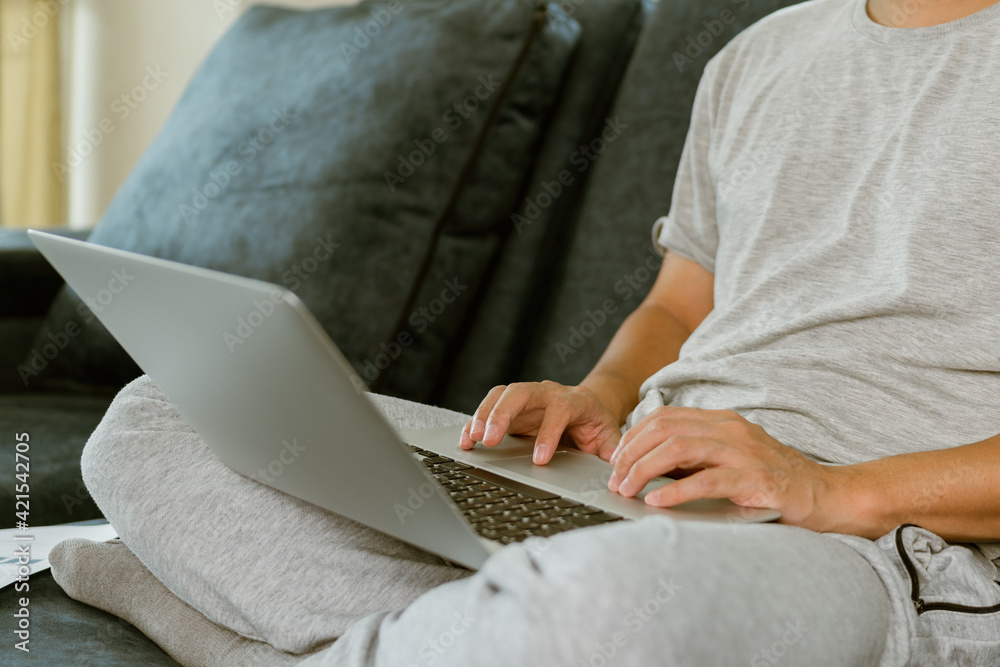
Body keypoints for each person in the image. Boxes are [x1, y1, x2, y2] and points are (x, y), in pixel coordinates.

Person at [52, 0, 1000, 665]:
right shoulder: (755, 57)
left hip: (871, 539)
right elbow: (679, 306)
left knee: (598, 606)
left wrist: (827, 488)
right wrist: (597, 397)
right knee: (160, 417)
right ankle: (484, 624)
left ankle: (232, 628)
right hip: (641, 483)